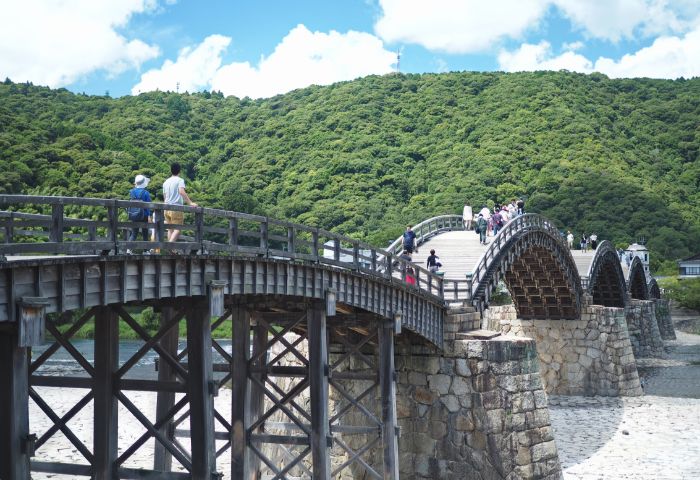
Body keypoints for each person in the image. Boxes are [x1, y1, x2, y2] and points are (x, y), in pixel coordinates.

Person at [163, 162, 197, 243]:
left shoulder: (166, 182)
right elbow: (181, 191)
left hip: (166, 208)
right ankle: (170, 246)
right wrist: (190, 203)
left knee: (170, 229)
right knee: (178, 229)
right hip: (176, 208)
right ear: (179, 171)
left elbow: (165, 196)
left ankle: (171, 249)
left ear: (171, 171)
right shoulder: (180, 180)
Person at [126, 174, 152, 254]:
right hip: (143, 215)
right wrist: (149, 215)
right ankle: (145, 250)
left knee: (134, 233)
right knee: (145, 232)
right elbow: (148, 206)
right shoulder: (145, 193)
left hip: (134, 215)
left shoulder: (132, 192)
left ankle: (128, 249)